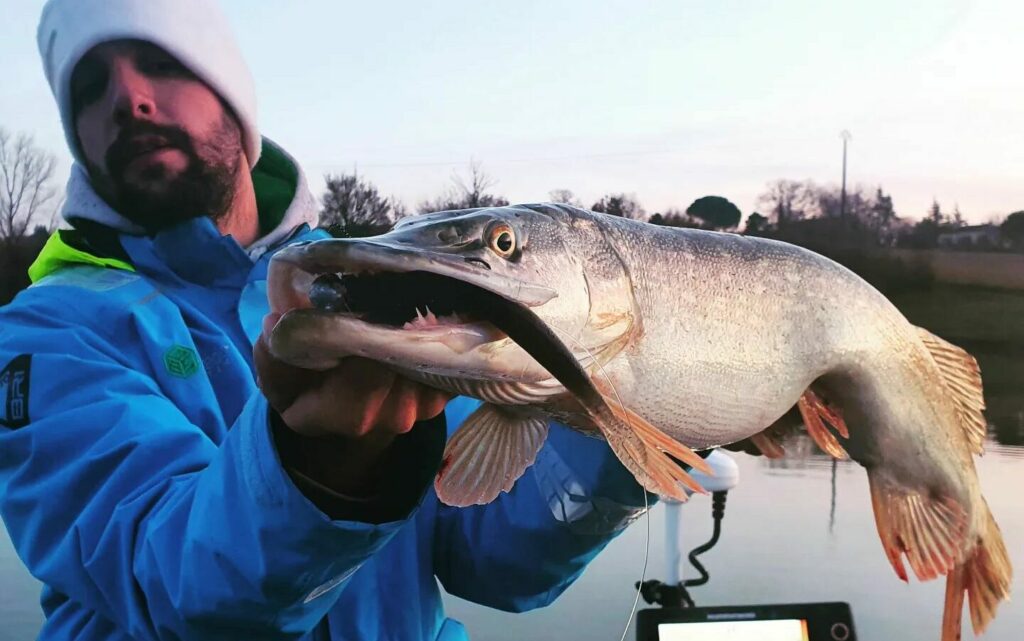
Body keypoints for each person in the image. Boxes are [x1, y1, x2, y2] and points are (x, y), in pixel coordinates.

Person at [0, 1, 654, 639]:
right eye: (89, 87)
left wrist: (654, 420)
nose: (127, 99)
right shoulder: (41, 336)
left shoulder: (381, 287)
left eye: (159, 62)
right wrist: (317, 465)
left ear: (229, 88)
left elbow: (496, 556)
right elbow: (170, 581)